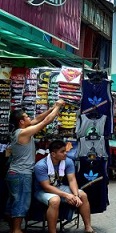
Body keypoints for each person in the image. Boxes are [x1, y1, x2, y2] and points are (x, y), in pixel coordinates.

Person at [5, 100, 65, 233]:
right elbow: (44, 122)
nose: (29, 118)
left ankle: (13, 228)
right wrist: (59, 107)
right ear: (21, 121)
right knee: (21, 202)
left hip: (15, 173)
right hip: (21, 174)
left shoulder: (21, 130)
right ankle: (16, 230)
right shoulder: (22, 133)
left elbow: (38, 119)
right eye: (26, 116)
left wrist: (52, 108)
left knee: (13, 201)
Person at [33, 140, 95, 233]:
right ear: (53, 154)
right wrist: (66, 195)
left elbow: (72, 180)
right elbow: (46, 187)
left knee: (83, 195)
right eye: (62, 152)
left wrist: (76, 195)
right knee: (55, 200)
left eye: (65, 151)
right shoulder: (41, 165)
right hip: (43, 191)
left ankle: (88, 227)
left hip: (59, 187)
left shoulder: (68, 161)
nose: (65, 153)